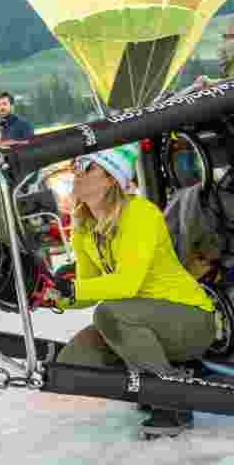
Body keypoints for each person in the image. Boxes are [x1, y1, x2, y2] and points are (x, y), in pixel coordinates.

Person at [43, 144, 216, 440]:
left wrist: (71, 287)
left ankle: (172, 401)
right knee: (74, 366)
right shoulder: (84, 227)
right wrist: (48, 295)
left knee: (108, 314)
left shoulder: (140, 214)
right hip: (138, 319)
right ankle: (159, 374)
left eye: (87, 166)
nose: (76, 172)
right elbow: (87, 290)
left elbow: (126, 284)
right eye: (75, 165)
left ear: (111, 177)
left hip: (190, 320)